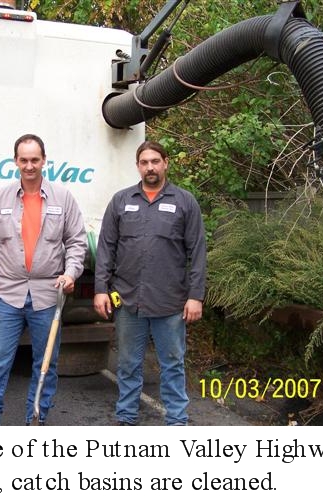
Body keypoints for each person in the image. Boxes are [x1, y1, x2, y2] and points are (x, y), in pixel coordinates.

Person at [0, 133, 87, 425]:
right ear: (15, 161)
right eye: (24, 160)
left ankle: (36, 419)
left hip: (48, 296)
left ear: (44, 160)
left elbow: (77, 241)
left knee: (46, 364)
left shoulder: (63, 198)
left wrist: (71, 272)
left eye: (35, 159)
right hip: (7, 295)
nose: (29, 166)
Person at [93, 140, 206, 426]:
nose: (150, 167)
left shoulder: (185, 202)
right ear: (138, 166)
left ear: (166, 163)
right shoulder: (121, 201)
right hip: (128, 300)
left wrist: (195, 296)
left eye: (155, 161)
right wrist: (100, 290)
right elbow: (106, 248)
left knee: (173, 364)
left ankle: (177, 420)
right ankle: (126, 417)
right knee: (128, 364)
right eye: (144, 162)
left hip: (170, 302)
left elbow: (197, 252)